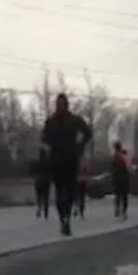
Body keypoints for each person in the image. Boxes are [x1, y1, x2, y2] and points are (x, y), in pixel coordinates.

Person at [39, 94, 93, 236]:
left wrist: (79, 146)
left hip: (70, 159)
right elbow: (44, 140)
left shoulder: (74, 120)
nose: (61, 106)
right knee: (59, 191)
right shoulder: (51, 122)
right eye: (59, 104)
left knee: (68, 191)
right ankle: (63, 218)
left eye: (62, 104)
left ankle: (66, 219)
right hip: (57, 160)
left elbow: (88, 133)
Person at [110, 141, 132, 219]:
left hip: (118, 178)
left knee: (118, 195)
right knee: (124, 196)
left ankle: (118, 209)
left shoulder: (116, 156)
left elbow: (113, 168)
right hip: (125, 178)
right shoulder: (125, 155)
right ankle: (124, 211)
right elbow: (129, 166)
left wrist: (113, 176)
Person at [31, 152, 52, 219]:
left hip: (38, 181)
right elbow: (51, 171)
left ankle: (39, 209)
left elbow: (31, 171)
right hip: (46, 182)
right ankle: (46, 212)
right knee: (46, 198)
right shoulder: (48, 163)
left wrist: (35, 176)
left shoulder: (36, 163)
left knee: (39, 197)